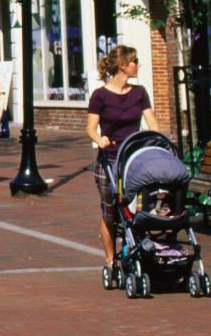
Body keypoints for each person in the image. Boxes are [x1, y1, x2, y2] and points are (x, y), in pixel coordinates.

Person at [85, 45, 159, 271]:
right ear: (123, 65)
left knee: (137, 211)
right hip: (109, 161)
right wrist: (99, 140)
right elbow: (91, 128)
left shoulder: (139, 93)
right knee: (110, 213)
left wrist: (155, 141)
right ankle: (110, 260)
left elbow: (152, 122)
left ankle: (137, 250)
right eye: (135, 61)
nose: (139, 65)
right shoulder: (100, 95)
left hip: (134, 161)